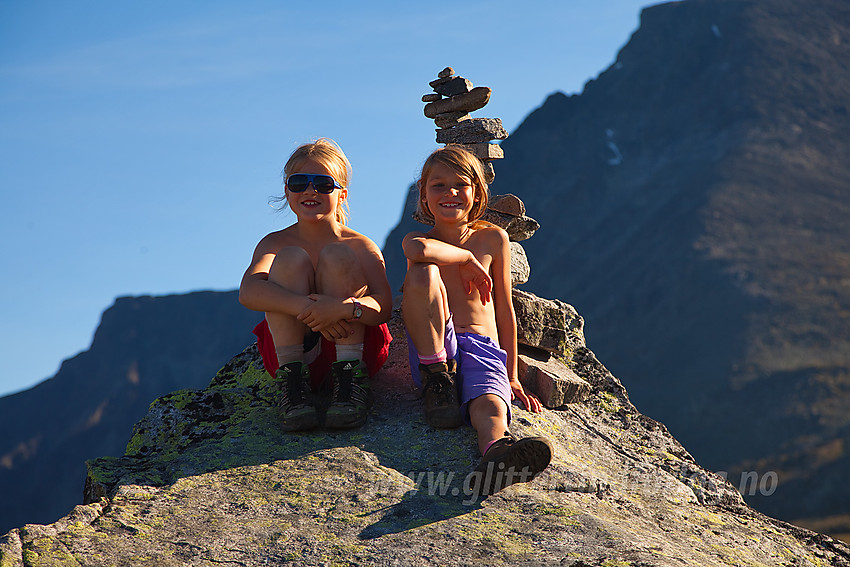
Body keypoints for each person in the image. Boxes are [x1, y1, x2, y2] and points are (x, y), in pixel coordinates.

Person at [402, 146, 553, 496]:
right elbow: (418, 254)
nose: (450, 193)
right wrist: (465, 258)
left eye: (460, 184)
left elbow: (504, 309)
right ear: (424, 195)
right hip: (438, 350)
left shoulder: (492, 238)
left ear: (477, 192)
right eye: (438, 185)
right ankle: (437, 380)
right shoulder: (419, 240)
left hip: (482, 345)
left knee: (490, 402)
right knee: (424, 275)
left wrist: (513, 375)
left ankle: (496, 454)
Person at [239, 138, 393, 432]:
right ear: (287, 191)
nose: (310, 191)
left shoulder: (360, 245)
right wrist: (312, 310)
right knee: (289, 259)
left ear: (342, 194)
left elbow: (383, 306)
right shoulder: (275, 243)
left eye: (323, 184)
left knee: (338, 255)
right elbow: (249, 291)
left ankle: (350, 383)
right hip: (296, 350)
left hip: (354, 346)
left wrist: (342, 308)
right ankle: (293, 385)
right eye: (299, 183)